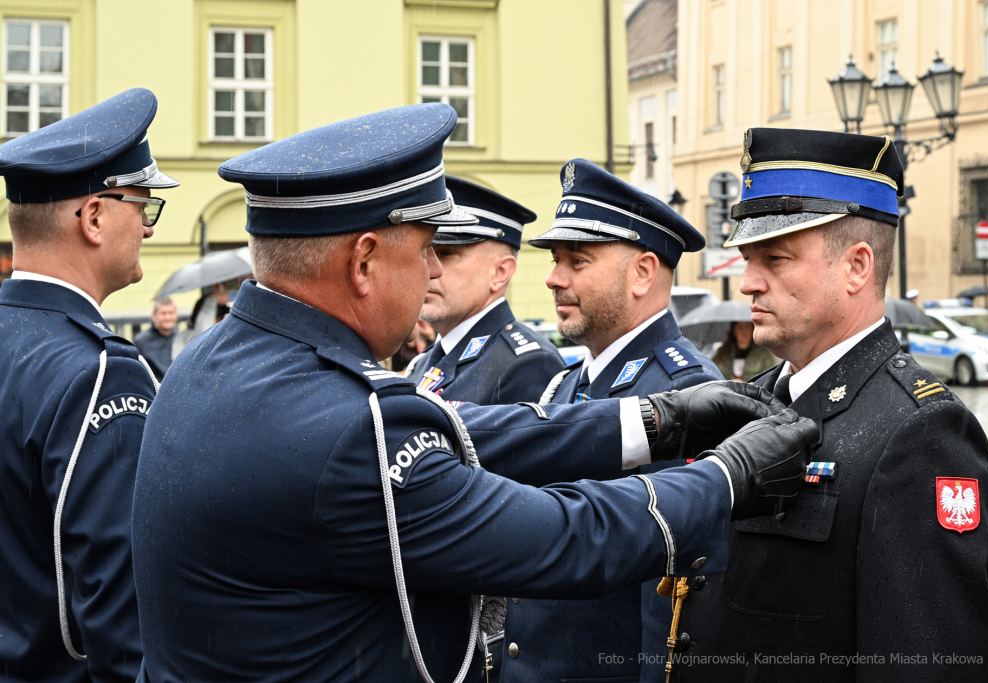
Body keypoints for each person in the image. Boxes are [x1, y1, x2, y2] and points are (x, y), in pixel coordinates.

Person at [130, 103, 817, 682]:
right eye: (425, 247)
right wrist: (731, 475)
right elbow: (564, 536)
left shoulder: (219, 360)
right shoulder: (342, 430)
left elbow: (452, 429)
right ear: (365, 261)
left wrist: (654, 420)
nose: (431, 269)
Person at [664, 127, 988, 682]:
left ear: (856, 267)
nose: (748, 282)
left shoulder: (920, 434)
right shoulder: (757, 402)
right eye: (748, 258)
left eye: (775, 257)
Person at [497, 158, 724, 683]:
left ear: (643, 272)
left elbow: (671, 599)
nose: (553, 279)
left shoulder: (685, 393)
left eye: (577, 260)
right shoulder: (565, 384)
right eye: (556, 260)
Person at [0, 88, 179, 682]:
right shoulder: (102, 372)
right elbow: (122, 606)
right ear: (95, 217)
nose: (149, 229)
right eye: (142, 205)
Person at [408, 176, 565, 403]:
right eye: (426, 252)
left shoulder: (528, 365)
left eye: (447, 254)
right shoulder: (423, 363)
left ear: (500, 272)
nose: (430, 269)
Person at [712, 320, 778, 381]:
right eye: (740, 327)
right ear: (734, 330)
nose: (744, 331)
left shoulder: (764, 355)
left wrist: (746, 386)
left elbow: (769, 380)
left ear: (753, 329)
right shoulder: (722, 353)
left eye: (747, 327)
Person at [134, 297, 178, 380]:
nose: (168, 318)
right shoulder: (141, 341)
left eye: (171, 313)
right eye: (163, 313)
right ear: (154, 315)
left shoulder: (180, 339)